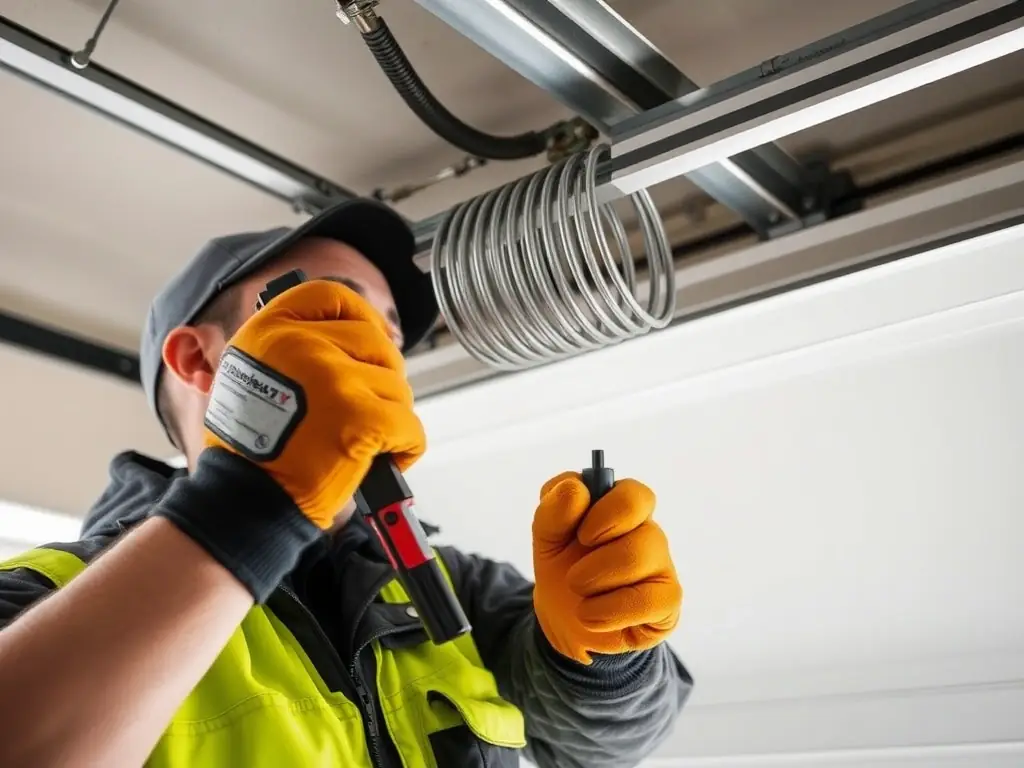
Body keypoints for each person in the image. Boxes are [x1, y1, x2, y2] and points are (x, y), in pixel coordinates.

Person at [0, 198, 692, 767]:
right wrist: (242, 513)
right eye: (334, 314)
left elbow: (602, 745)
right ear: (198, 359)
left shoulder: (454, 589)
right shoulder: (48, 597)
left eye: (388, 338)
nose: (377, 357)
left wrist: (603, 658)